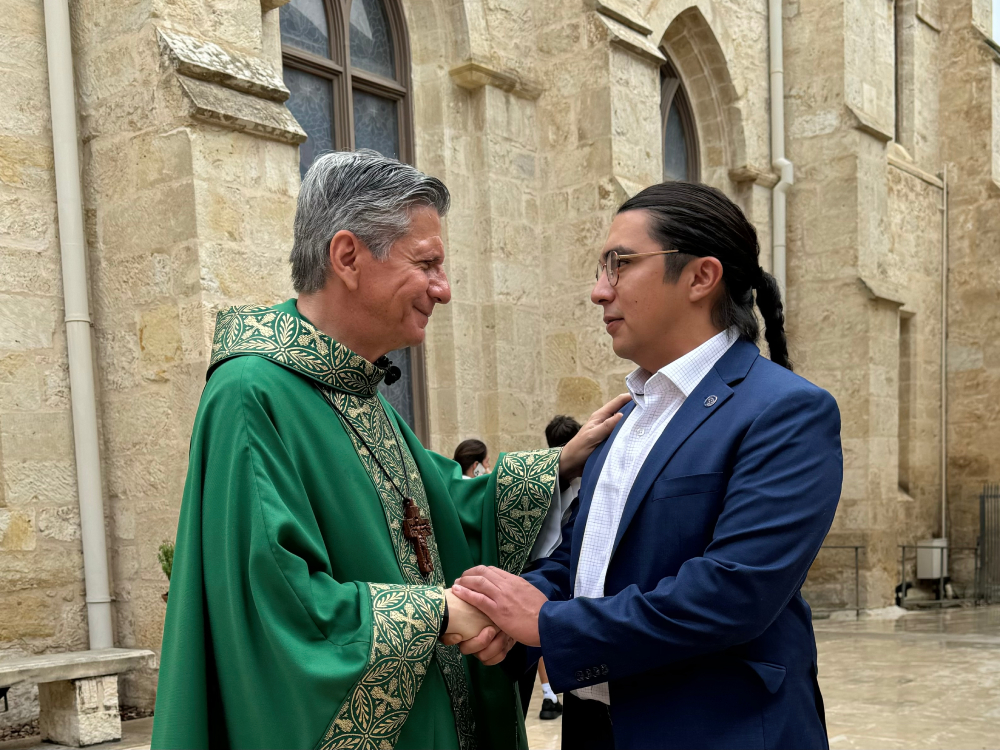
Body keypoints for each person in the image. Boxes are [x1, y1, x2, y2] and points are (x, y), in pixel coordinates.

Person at [151, 150, 630, 750]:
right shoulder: (252, 395)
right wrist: (438, 615)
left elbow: (441, 507)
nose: (444, 289)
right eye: (426, 263)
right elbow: (275, 602)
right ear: (347, 256)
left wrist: (555, 466)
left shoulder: (356, 387)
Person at [452, 182, 843, 749]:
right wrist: (504, 608)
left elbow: (733, 593)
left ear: (700, 277)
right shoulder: (630, 416)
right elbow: (580, 559)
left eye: (620, 264)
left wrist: (548, 624)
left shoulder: (785, 411)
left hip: (714, 730)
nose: (597, 291)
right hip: (597, 727)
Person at [518, 416, 582, 720]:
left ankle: (550, 695)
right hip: (547, 586)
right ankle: (548, 696)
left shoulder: (595, 483)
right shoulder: (545, 486)